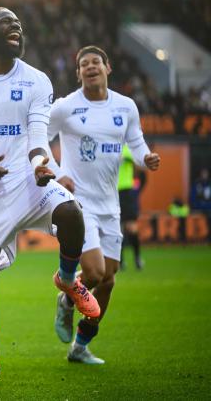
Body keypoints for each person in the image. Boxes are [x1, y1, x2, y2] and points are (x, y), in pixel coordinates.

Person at [0, 7, 100, 388]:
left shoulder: (36, 80)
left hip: (28, 182)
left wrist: (42, 163)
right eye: (7, 24)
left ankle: (67, 279)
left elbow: (36, 133)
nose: (17, 28)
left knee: (71, 212)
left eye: (19, 25)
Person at [48, 45, 160, 364]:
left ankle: (80, 347)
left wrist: (145, 157)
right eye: (84, 64)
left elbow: (136, 142)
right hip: (77, 204)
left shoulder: (125, 106)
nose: (91, 66)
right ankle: (67, 300)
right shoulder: (66, 107)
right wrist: (58, 174)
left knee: (108, 280)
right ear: (78, 73)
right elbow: (39, 137)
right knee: (94, 273)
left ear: (108, 68)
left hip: (110, 206)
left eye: (96, 61)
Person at [118, 145, 146, 269]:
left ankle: (137, 258)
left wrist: (127, 158)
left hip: (126, 192)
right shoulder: (106, 145)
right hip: (111, 192)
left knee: (131, 227)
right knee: (116, 229)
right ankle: (120, 261)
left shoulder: (127, 148)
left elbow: (141, 164)